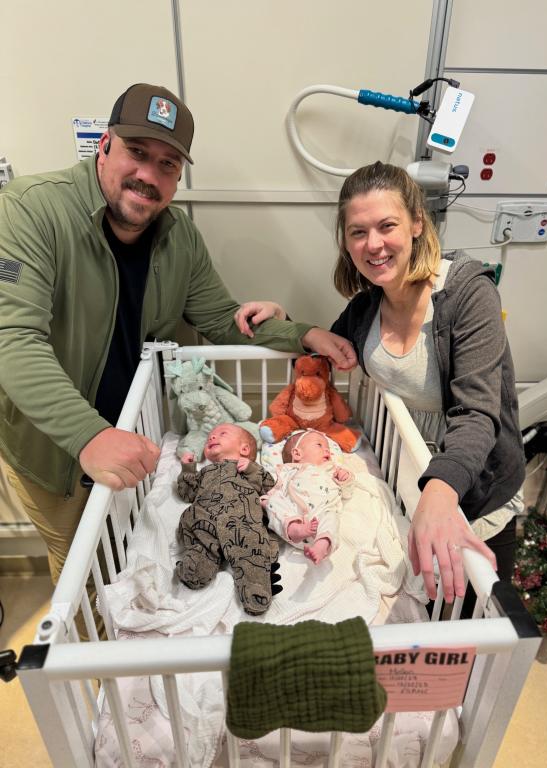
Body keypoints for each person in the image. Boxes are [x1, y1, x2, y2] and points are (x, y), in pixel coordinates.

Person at [0, 82, 356, 591]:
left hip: (135, 433)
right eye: (137, 153)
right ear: (104, 145)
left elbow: (220, 317)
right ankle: (98, 664)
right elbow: (12, 340)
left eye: (168, 164)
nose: (149, 175)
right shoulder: (29, 211)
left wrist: (305, 333)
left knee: (132, 557)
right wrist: (89, 435)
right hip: (53, 447)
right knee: (83, 574)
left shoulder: (179, 236)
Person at [237, 161, 525, 603]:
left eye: (386, 225)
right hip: (406, 475)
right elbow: (325, 357)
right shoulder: (366, 308)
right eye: (357, 232)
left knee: (471, 624)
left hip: (473, 483)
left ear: (416, 223)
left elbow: (477, 413)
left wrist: (440, 490)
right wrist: (285, 322)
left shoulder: (467, 295)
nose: (374, 244)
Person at [175, 423, 280, 615]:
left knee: (250, 547)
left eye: (222, 434)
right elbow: (187, 493)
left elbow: (269, 486)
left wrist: (251, 470)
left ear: (244, 449)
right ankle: (196, 568)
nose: (212, 438)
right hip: (204, 517)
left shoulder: (248, 469)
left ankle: (255, 588)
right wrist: (188, 469)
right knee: (200, 541)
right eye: (209, 438)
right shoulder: (204, 472)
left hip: (241, 517)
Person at [261, 429, 354, 564]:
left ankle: (322, 545)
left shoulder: (332, 469)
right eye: (319, 445)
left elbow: (347, 492)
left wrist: (345, 479)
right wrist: (267, 502)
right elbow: (275, 489)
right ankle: (294, 528)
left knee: (331, 516)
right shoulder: (287, 470)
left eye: (328, 448)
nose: (327, 451)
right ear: (297, 453)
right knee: (273, 501)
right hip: (294, 519)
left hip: (321, 514)